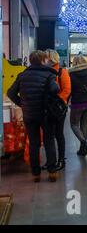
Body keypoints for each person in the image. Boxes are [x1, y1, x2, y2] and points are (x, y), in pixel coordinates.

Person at [7, 51, 60, 182]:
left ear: (31, 61)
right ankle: (52, 172)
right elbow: (55, 90)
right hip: (45, 114)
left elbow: (10, 92)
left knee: (34, 143)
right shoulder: (49, 74)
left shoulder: (22, 75)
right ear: (43, 60)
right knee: (49, 142)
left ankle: (35, 173)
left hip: (29, 114)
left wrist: (22, 104)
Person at [45, 49, 71, 171]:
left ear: (51, 58)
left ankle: (61, 159)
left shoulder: (62, 72)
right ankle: (51, 160)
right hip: (46, 107)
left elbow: (66, 90)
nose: (44, 60)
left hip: (58, 107)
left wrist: (57, 101)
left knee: (59, 134)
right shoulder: (44, 71)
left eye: (46, 57)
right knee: (48, 135)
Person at [69, 55, 87, 156]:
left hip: (77, 103)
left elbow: (69, 90)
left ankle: (83, 142)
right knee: (83, 125)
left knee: (74, 125)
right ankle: (83, 150)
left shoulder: (71, 75)